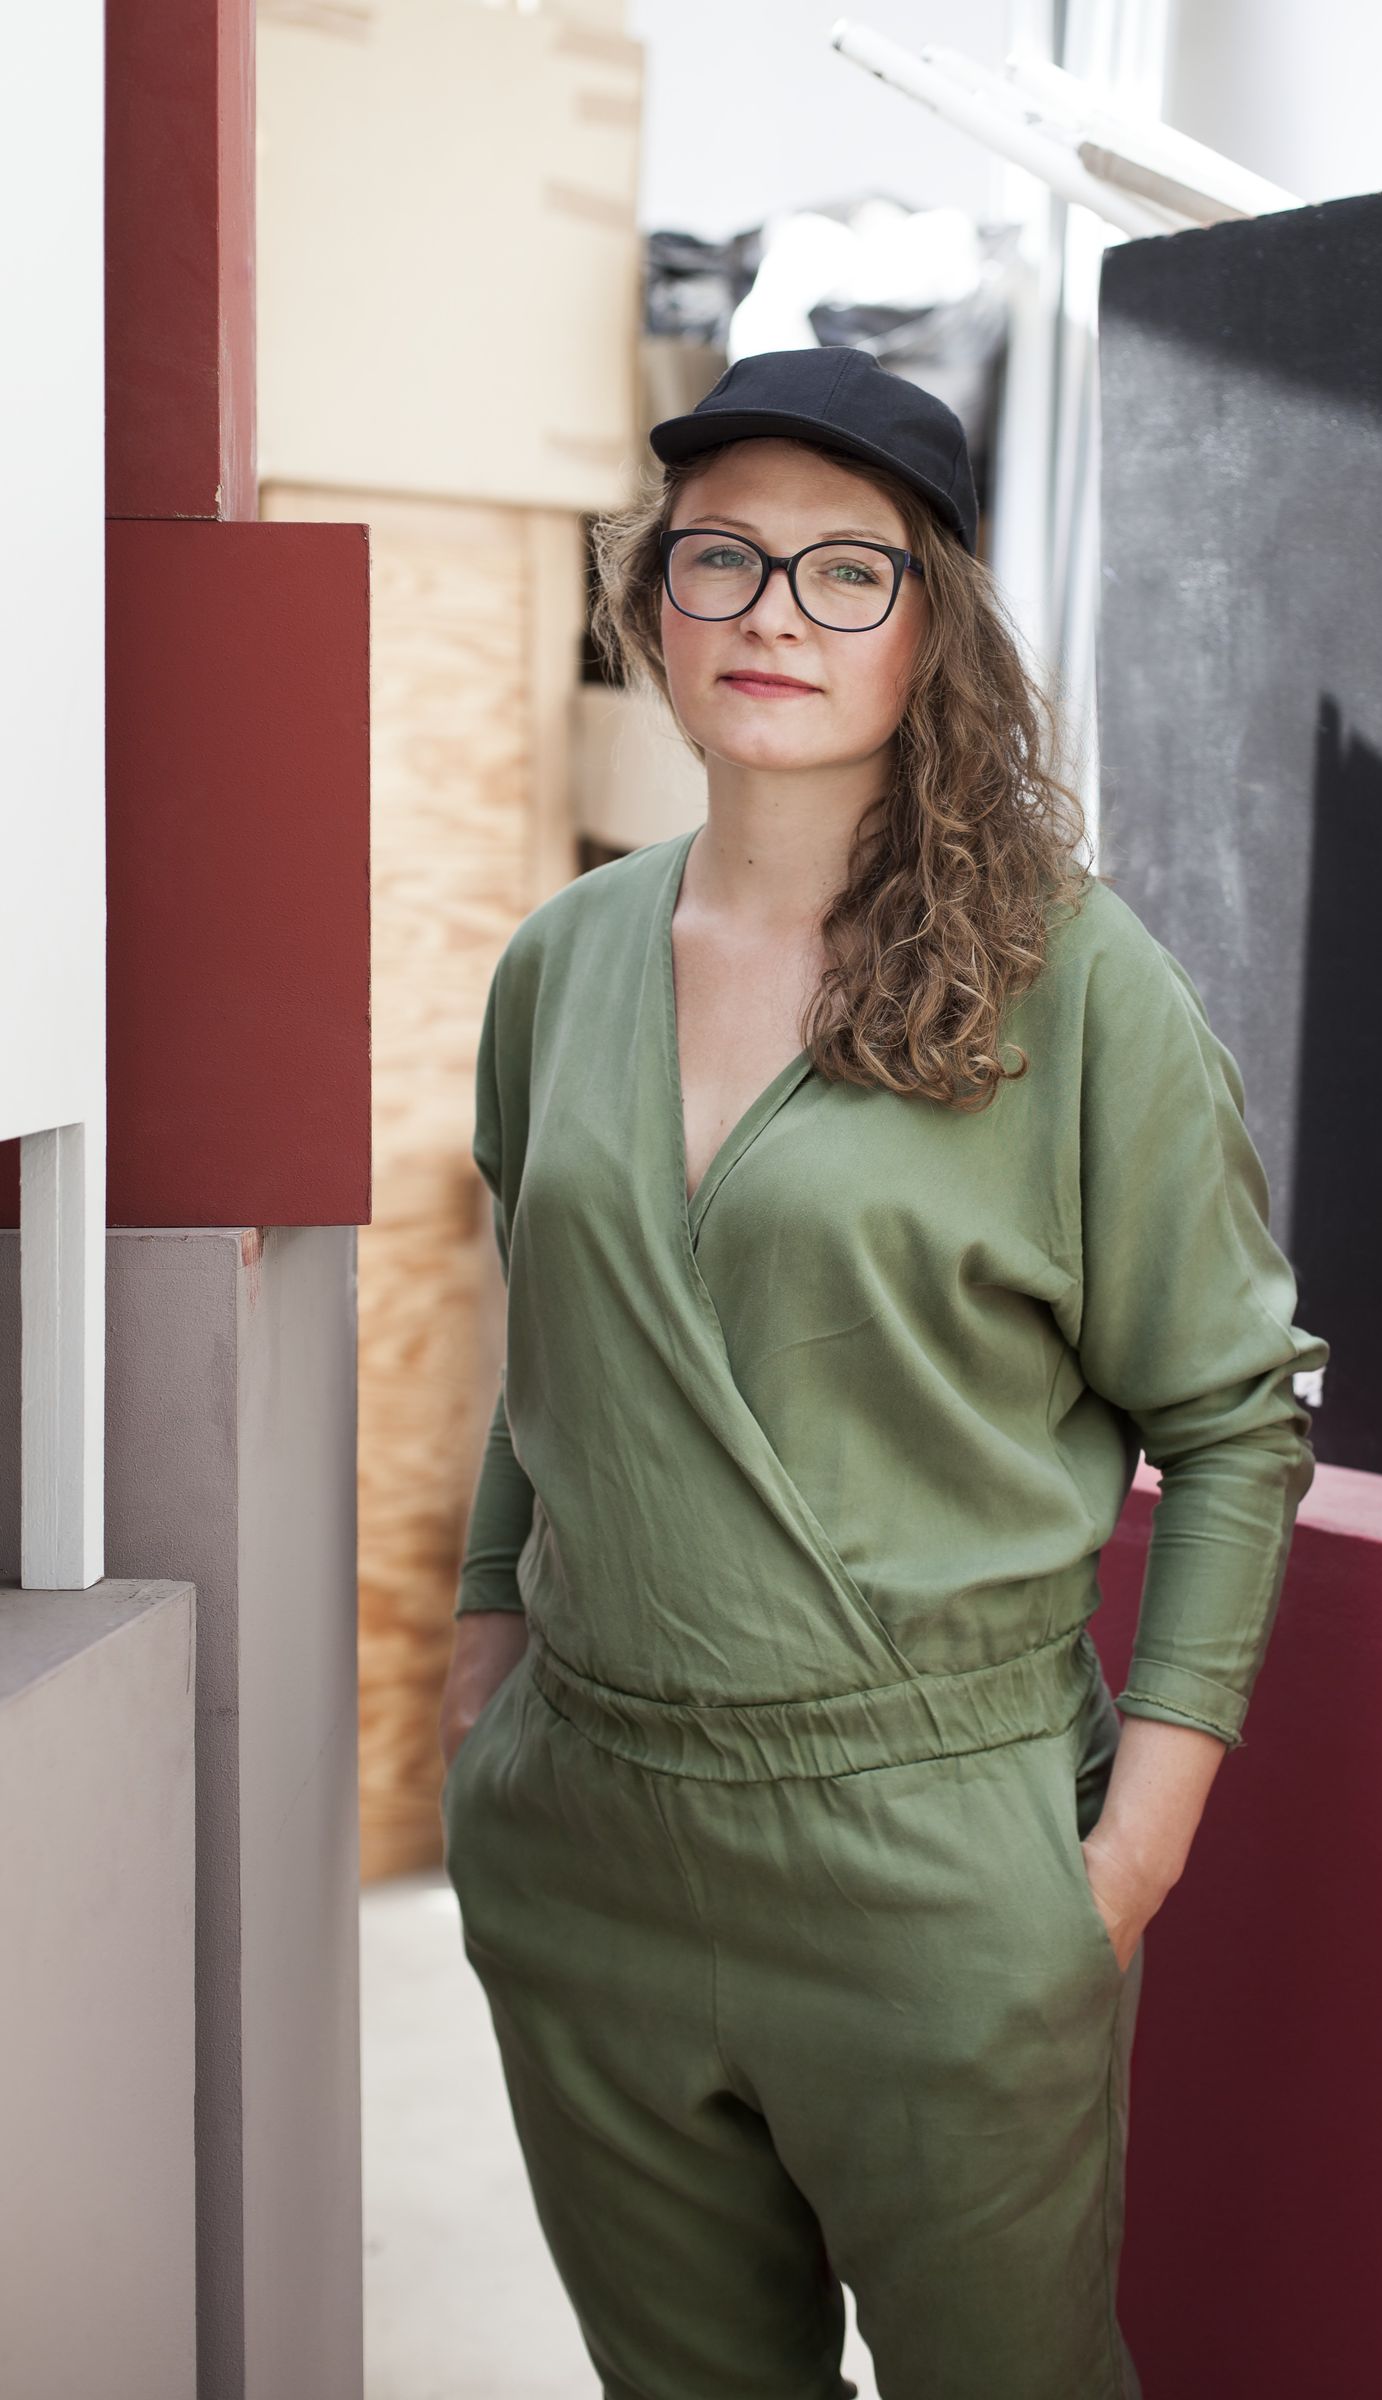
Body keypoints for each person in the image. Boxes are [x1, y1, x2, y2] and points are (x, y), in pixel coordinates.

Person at [437, 344, 1329, 2400]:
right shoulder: (560, 963)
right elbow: (557, 1337)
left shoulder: (1071, 984)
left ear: (933, 628)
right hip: (587, 1832)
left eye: (847, 571)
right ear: (652, 600)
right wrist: (487, 1658)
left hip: (934, 1856)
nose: (773, 614)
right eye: (721, 559)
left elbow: (1230, 1421)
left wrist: (1131, 1850)